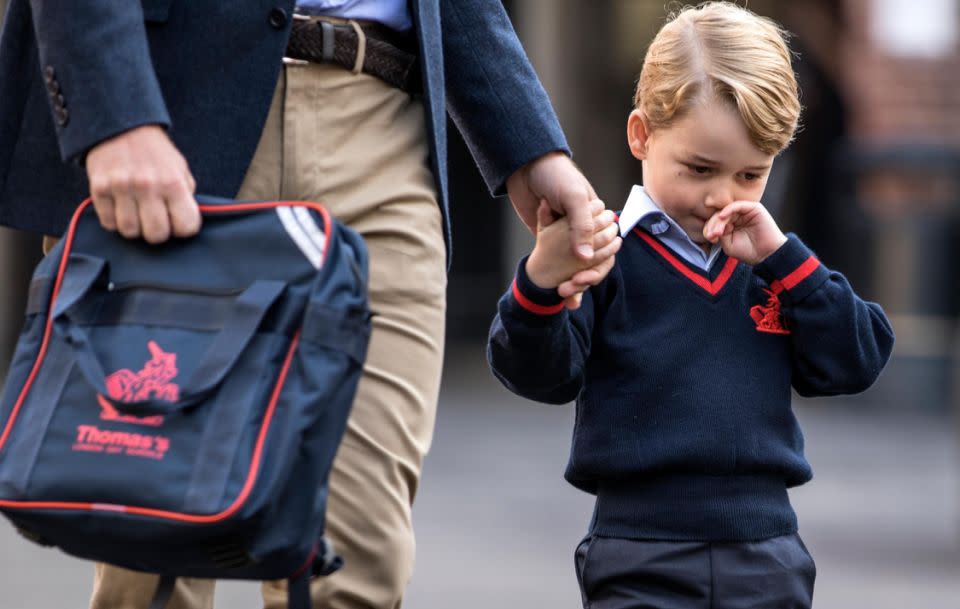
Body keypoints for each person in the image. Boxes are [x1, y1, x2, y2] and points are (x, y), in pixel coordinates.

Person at [0, 1, 619, 608]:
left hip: (379, 125)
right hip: (176, 111)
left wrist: (528, 144)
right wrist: (116, 113)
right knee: (152, 563)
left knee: (357, 568)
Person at [487, 3, 895, 608]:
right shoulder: (605, 255)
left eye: (751, 175)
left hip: (766, 551)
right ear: (641, 135)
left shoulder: (772, 265)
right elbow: (539, 375)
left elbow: (856, 360)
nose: (721, 197)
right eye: (700, 168)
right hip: (637, 550)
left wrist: (784, 261)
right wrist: (543, 281)